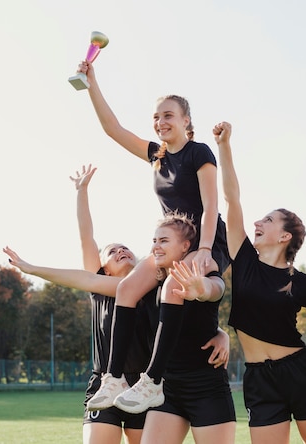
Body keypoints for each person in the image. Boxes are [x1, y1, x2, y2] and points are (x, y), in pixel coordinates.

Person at [4, 165, 229, 444]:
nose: (121, 250)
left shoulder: (154, 289)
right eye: (113, 251)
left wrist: (221, 333)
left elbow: (189, 319)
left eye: (126, 248)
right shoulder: (102, 287)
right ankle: (113, 380)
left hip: (143, 385)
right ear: (104, 267)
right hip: (105, 382)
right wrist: (34, 268)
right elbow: (86, 239)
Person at [78, 60, 231, 414]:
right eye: (156, 117)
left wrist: (206, 249)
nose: (161, 122)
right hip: (170, 242)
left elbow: (211, 206)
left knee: (172, 288)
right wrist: (92, 82)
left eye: (168, 116)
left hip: (203, 239)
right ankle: (114, 377)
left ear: (186, 121)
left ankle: (153, 382)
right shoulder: (156, 156)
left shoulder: (200, 152)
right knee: (129, 289)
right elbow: (112, 129)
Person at [215, 121, 306, 444]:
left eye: (267, 220)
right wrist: (224, 147)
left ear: (284, 236)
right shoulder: (243, 261)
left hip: (301, 374)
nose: (257, 221)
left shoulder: (303, 283)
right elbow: (231, 200)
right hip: (258, 379)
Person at [138, 211, 235, 444]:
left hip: (206, 388)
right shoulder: (147, 283)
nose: (156, 247)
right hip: (167, 390)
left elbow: (215, 289)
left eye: (163, 241)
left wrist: (200, 290)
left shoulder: (204, 271)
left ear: (185, 246)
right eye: (154, 241)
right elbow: (92, 281)